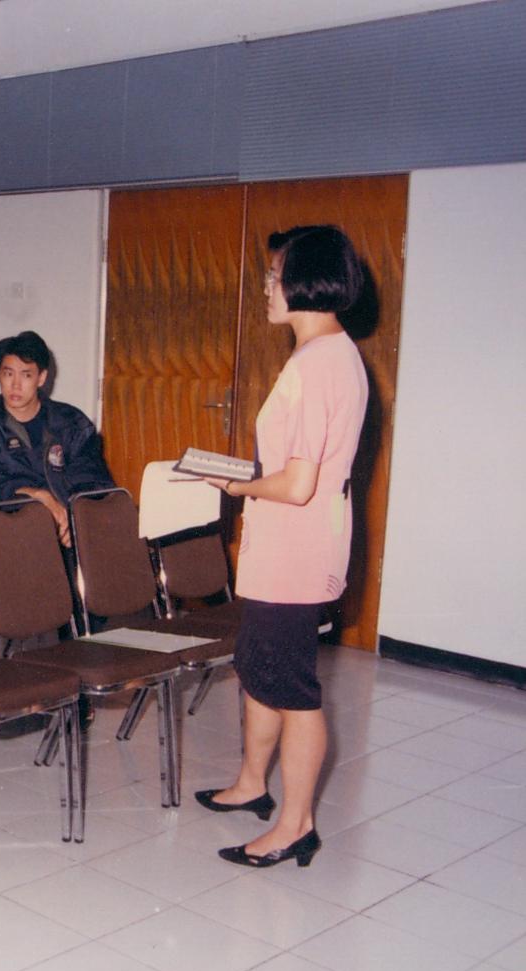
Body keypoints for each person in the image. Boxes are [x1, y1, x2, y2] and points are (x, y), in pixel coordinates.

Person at [197, 226, 369, 870]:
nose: (267, 288)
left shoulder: (314, 364)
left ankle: (296, 826)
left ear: (303, 281)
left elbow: (296, 486)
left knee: (291, 687)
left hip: (294, 554)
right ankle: (252, 783)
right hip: (294, 548)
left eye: (273, 277)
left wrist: (238, 485)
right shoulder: (332, 353)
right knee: (261, 668)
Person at [0, 330, 113, 546]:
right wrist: (36, 495)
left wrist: (76, 519)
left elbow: (93, 479)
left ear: (41, 378)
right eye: (8, 374)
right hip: (17, 530)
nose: (15, 385)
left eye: (26, 375)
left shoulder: (71, 421)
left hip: (71, 527)